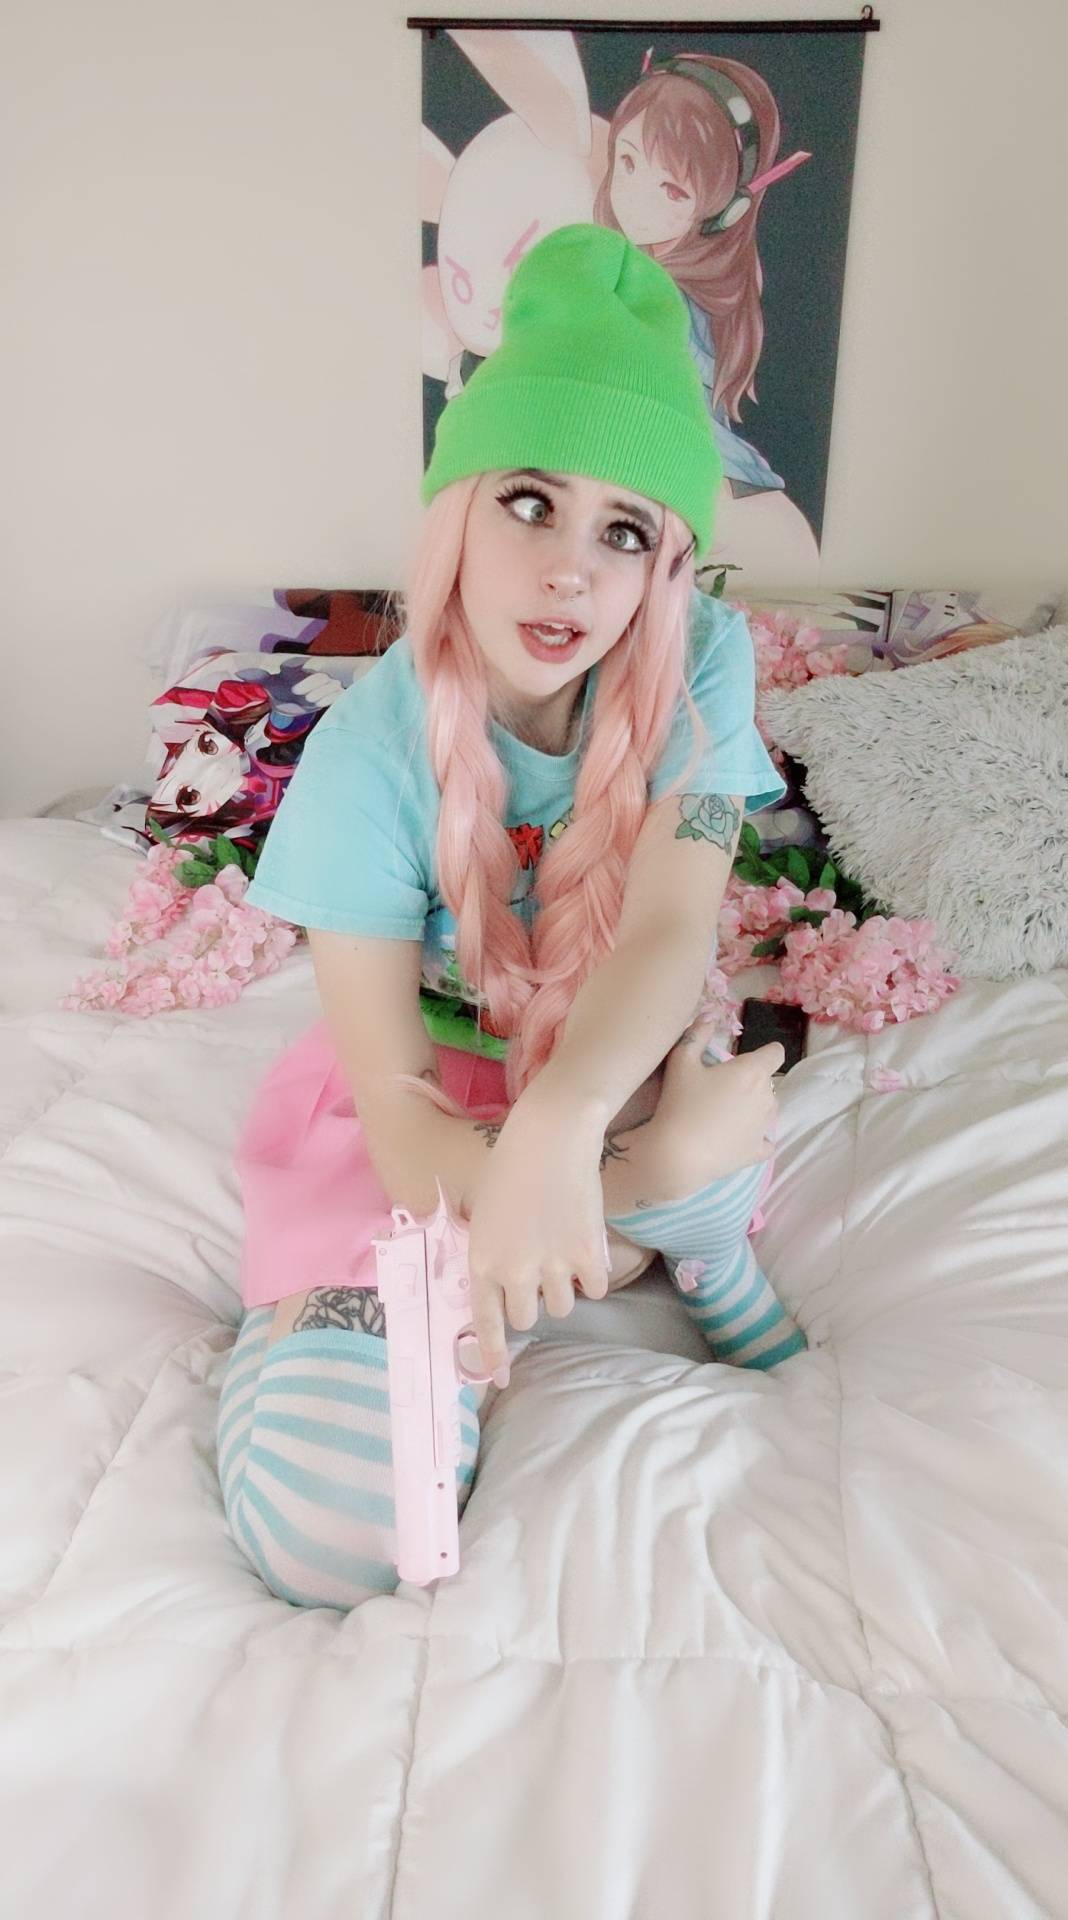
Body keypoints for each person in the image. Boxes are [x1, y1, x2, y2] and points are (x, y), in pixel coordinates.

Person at [215, 222, 806, 1612]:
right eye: (531, 502)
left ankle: (650, 1218)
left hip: (605, 1053)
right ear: (456, 513)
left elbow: (667, 929)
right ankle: (674, 1215)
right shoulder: (367, 756)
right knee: (331, 1527)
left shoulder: (700, 659)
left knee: (687, 1114)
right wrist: (603, 1167)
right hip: (420, 1118)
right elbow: (397, 1107)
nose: (571, 575)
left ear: (665, 568)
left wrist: (561, 1125)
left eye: (626, 532)